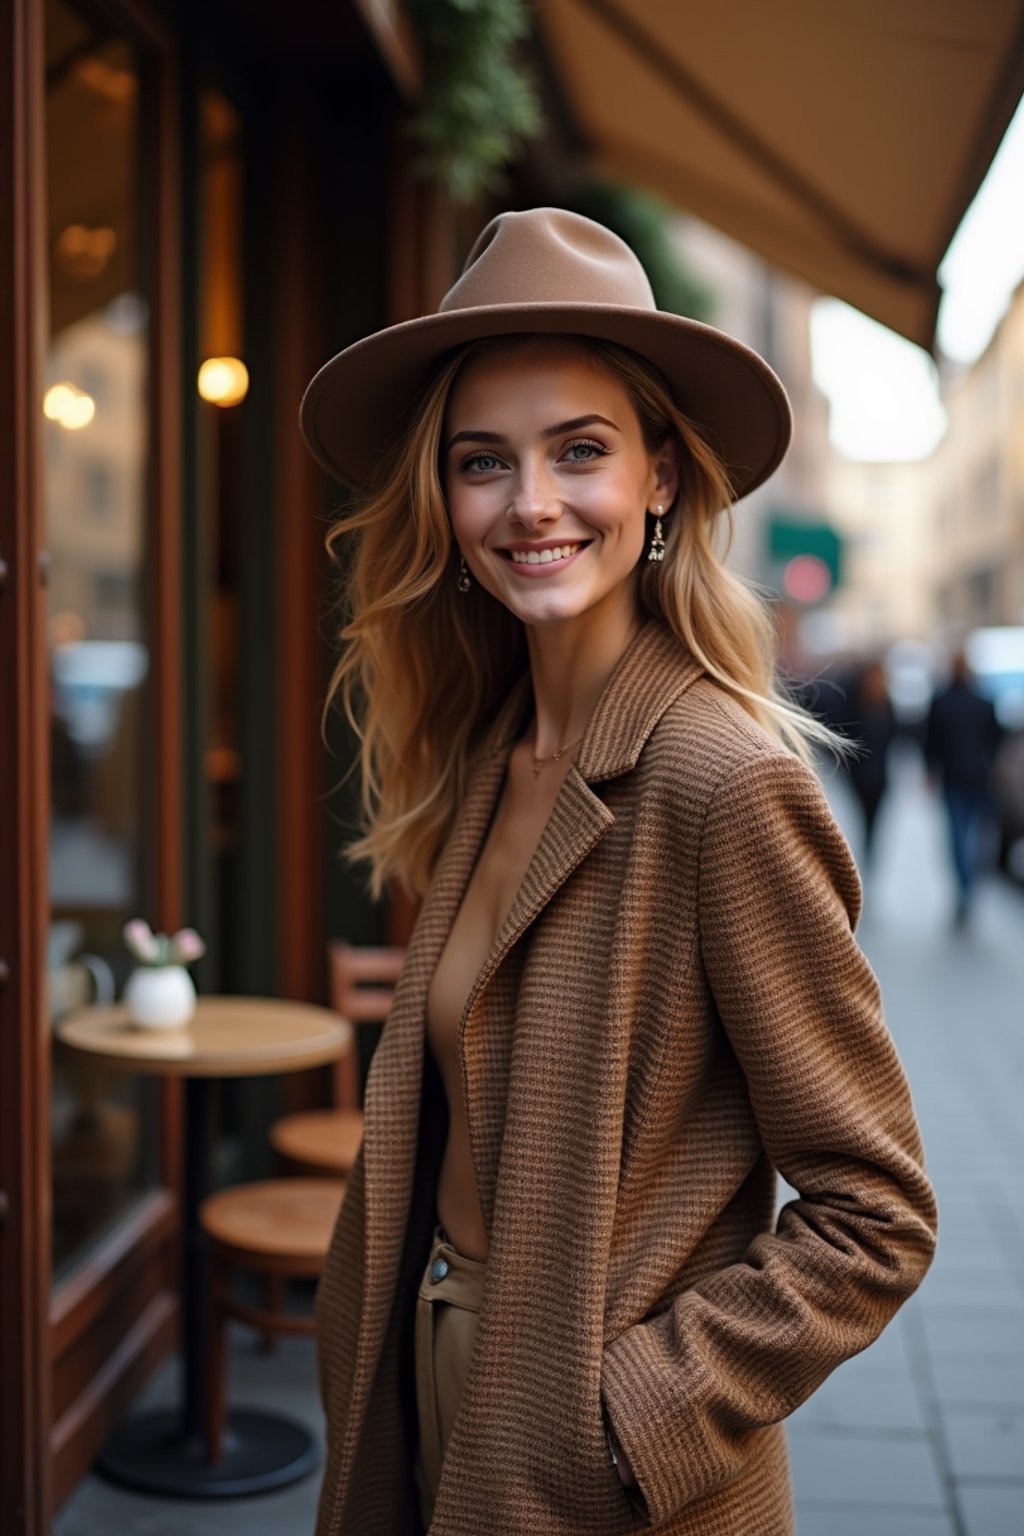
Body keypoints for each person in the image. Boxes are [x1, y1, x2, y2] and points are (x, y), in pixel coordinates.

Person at [300, 208, 937, 1536]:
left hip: (609, 1471)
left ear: (658, 478)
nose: (529, 504)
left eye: (578, 451)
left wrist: (632, 1418)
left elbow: (873, 1214)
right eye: (485, 462)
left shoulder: (721, 779)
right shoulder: (490, 755)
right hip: (425, 1388)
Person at [925, 649, 1002, 926]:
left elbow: (929, 741)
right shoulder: (983, 700)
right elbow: (997, 739)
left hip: (954, 778)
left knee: (958, 837)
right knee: (977, 837)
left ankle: (965, 886)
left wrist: (930, 772)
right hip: (978, 778)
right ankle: (969, 886)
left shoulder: (942, 701)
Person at [843, 658, 897, 868]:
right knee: (863, 818)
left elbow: (893, 737)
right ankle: (865, 856)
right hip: (860, 776)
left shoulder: (888, 705)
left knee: (875, 822)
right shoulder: (856, 706)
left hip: (880, 776)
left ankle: (869, 857)